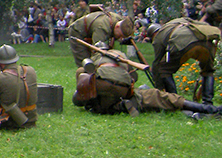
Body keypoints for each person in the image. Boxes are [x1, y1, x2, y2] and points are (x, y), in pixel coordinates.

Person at [72, 43, 222, 119]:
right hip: (124, 88)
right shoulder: (120, 54)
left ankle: (118, 107)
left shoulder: (96, 58)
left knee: (92, 96)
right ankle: (209, 109)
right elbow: (133, 78)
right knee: (160, 97)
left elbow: (84, 76)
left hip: (101, 85)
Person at [148, 19, 219, 105]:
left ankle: (174, 102)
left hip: (184, 42)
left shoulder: (159, 36)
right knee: (208, 71)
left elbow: (157, 63)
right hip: (205, 41)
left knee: (164, 70)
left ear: (153, 34)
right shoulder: (179, 21)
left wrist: (159, 87)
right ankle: (208, 103)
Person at [67, 10, 134, 66]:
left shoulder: (118, 20)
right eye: (120, 35)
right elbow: (96, 50)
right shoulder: (102, 28)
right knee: (86, 63)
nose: (120, 39)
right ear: (117, 27)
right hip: (77, 32)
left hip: (89, 30)